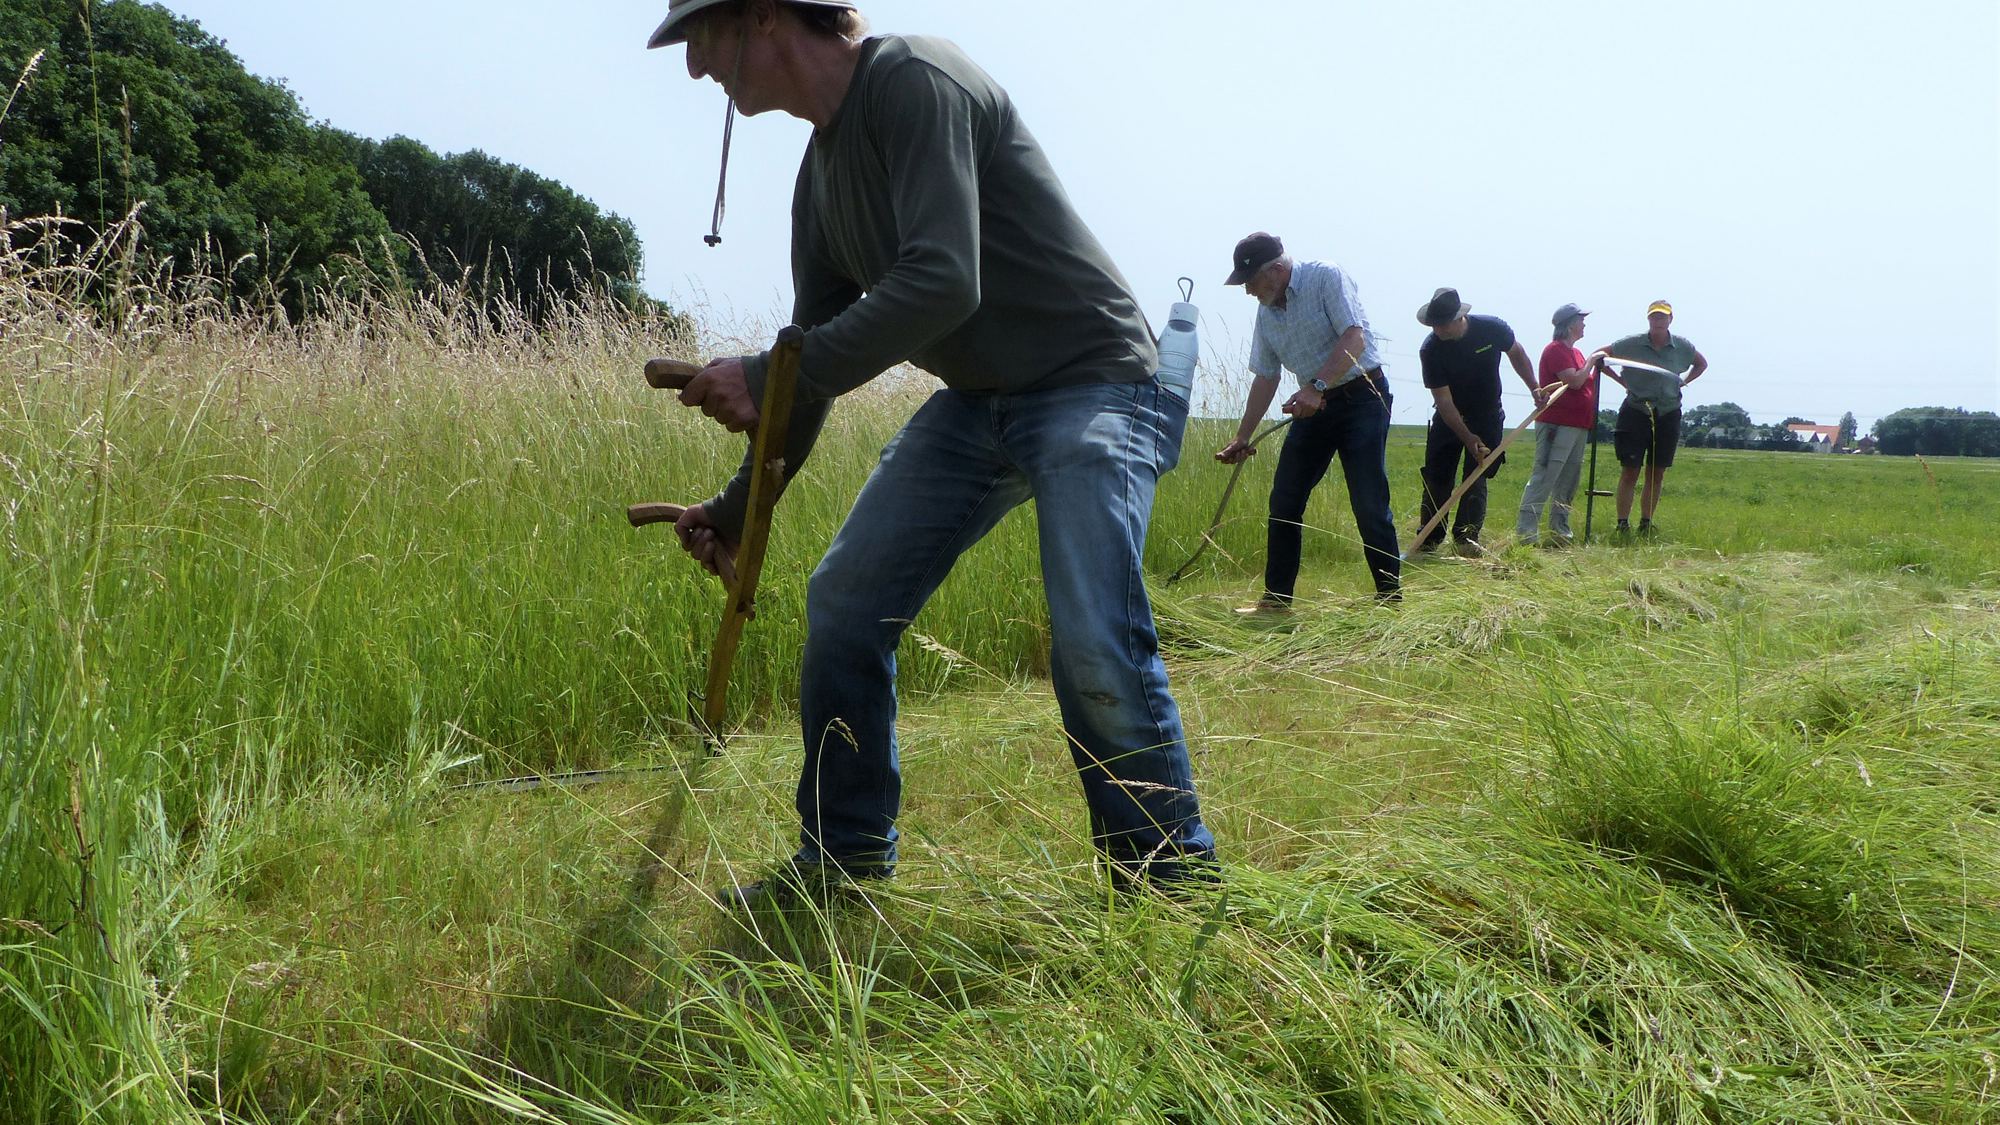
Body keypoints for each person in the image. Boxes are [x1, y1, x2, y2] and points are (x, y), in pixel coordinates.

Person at [647, 0, 1216, 903]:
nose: (693, 67)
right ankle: (847, 854)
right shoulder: (819, 181)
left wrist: (760, 370)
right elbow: (809, 370)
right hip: (981, 401)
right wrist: (734, 507)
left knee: (1091, 636)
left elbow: (946, 278)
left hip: (1096, 378)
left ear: (761, 17)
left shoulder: (916, 78)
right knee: (845, 600)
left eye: (700, 35)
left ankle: (1168, 879)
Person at [1215, 233, 1400, 609]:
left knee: (1368, 501)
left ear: (1277, 270)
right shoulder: (1266, 312)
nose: (1247, 291)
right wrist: (1242, 436)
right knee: (1285, 499)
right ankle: (1276, 599)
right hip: (1313, 406)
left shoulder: (1325, 277)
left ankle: (1389, 597)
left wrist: (1316, 386)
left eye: (1249, 282)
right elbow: (1266, 376)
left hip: (1362, 396)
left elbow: (1355, 337)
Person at [1411, 288, 1537, 555]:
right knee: (1437, 475)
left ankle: (1466, 540)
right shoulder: (1431, 350)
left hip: (1488, 414)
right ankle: (1429, 540)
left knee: (1477, 474)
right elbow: (1444, 402)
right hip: (1450, 417)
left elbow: (1517, 353)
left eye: (1442, 324)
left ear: (1459, 318)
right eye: (1433, 325)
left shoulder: (1492, 329)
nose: (1438, 330)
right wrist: (1468, 438)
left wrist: (1534, 388)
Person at [1605, 300, 1709, 536]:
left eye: (1662, 317)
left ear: (1670, 319)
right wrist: (1621, 380)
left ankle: (1646, 522)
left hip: (1668, 412)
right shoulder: (1631, 344)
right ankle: (1622, 523)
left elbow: (1702, 364)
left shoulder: (1682, 346)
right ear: (1648, 319)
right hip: (1636, 410)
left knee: (1657, 471)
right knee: (1630, 469)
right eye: (1654, 317)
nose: (1658, 321)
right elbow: (1600, 356)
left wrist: (1685, 380)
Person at [1513, 303, 1599, 545]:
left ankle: (1559, 533)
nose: (1584, 324)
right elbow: (1573, 381)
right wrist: (1592, 360)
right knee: (1545, 476)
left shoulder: (1577, 353)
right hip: (1556, 424)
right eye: (1581, 319)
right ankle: (1527, 534)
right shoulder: (1555, 350)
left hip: (1578, 425)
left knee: (1568, 480)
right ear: (1570, 323)